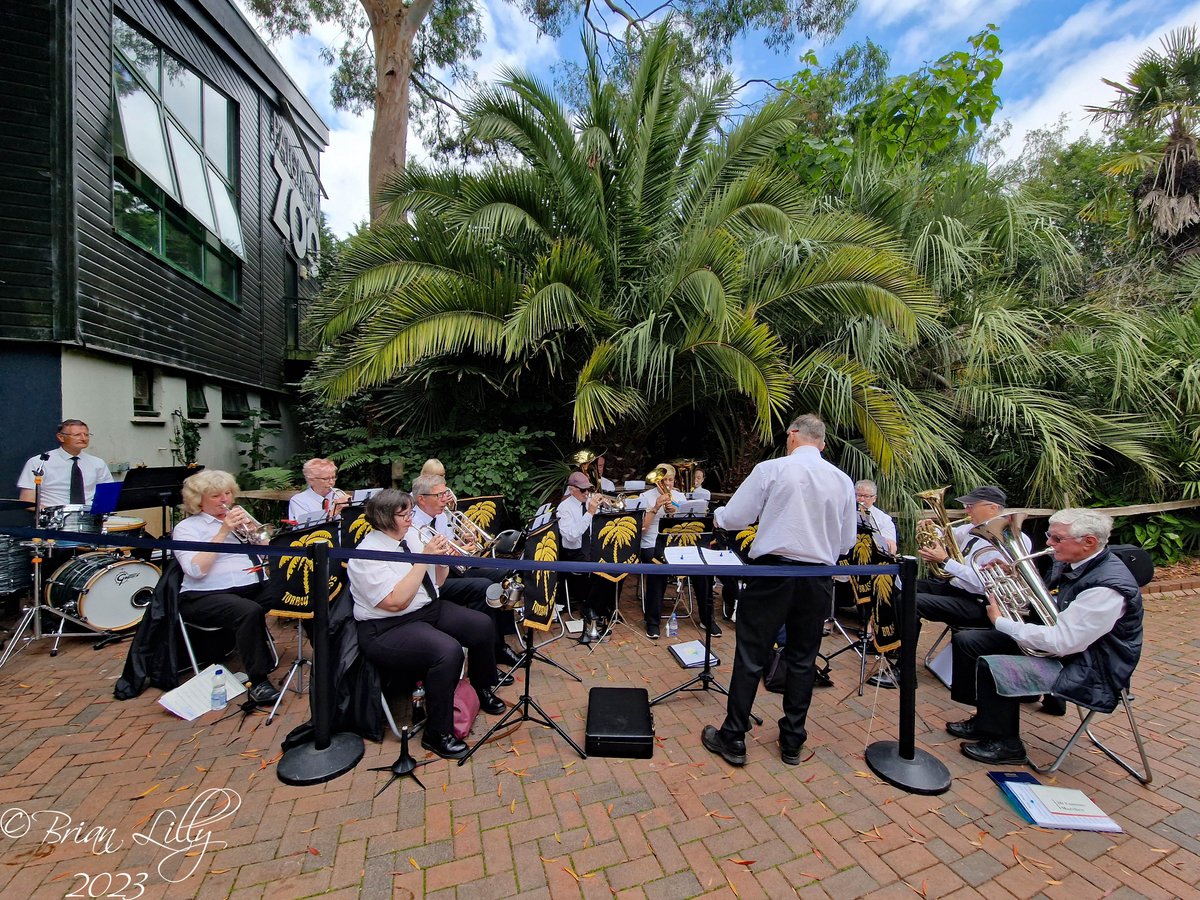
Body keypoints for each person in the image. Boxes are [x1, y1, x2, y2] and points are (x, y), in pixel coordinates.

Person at [701, 414, 856, 767]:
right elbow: (846, 542)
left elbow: (737, 517)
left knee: (751, 655)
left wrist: (719, 518)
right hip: (818, 578)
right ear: (823, 443)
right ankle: (792, 741)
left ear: (792, 435)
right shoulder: (842, 480)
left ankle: (734, 736)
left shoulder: (772, 469)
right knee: (803, 659)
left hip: (773, 572)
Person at [948, 509, 1143, 765]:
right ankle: (986, 720)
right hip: (1074, 649)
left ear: (1089, 542)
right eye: (1049, 536)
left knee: (994, 664)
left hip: (1091, 666)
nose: (1048, 543)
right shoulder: (1079, 563)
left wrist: (1001, 622)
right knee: (968, 641)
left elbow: (1061, 642)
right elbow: (1055, 606)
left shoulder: (1106, 587)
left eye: (1056, 538)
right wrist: (1012, 576)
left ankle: (1007, 745)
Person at [347, 489, 505, 759]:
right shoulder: (366, 555)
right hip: (388, 627)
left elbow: (439, 582)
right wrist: (424, 558)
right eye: (404, 514)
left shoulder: (411, 536)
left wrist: (442, 558)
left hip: (426, 609)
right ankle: (437, 733)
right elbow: (395, 602)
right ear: (385, 518)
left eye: (410, 512)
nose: (411, 518)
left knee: (480, 625)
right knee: (447, 651)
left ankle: (481, 688)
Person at [173, 470, 281, 705]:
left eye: (228, 493)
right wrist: (222, 532)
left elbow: (267, 554)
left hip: (251, 586)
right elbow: (196, 571)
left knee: (296, 592)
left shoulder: (240, 519)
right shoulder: (187, 528)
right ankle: (259, 682)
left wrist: (257, 536)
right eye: (216, 496)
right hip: (204, 596)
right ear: (198, 499)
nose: (225, 500)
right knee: (247, 611)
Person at [410, 471, 521, 668]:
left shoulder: (440, 516)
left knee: (503, 576)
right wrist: (455, 552)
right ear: (422, 499)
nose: (446, 499)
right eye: (440, 496)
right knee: (485, 587)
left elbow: (449, 543)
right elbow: (427, 559)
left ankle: (500, 643)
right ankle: (487, 656)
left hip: (454, 568)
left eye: (446, 493)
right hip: (433, 581)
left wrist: (464, 542)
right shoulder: (413, 525)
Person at [914, 486, 1032, 635]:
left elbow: (983, 584)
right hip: (956, 589)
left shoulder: (1009, 537)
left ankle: (906, 656)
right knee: (904, 586)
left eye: (971, 506)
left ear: (992, 508)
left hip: (980, 602)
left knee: (910, 600)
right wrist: (930, 529)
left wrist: (945, 561)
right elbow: (949, 534)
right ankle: (894, 646)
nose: (967, 510)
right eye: (966, 506)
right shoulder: (973, 528)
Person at [637, 463, 688, 639]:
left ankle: (707, 618)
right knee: (658, 568)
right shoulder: (646, 497)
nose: (667, 483)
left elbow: (690, 525)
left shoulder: (680, 497)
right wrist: (656, 507)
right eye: (663, 479)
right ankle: (652, 622)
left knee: (702, 569)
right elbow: (642, 527)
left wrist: (677, 512)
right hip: (651, 544)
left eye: (670, 480)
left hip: (675, 544)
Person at [17, 419, 113, 509]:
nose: (83, 438)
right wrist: (54, 513)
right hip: (53, 519)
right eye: (77, 435)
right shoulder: (40, 462)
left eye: (86, 435)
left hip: (91, 518)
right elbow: (28, 500)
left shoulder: (97, 463)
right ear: (61, 437)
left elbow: (108, 495)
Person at [556, 470, 605, 642]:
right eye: (583, 490)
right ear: (571, 490)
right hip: (573, 552)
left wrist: (602, 507)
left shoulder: (588, 501)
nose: (587, 494)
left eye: (588, 490)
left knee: (614, 566)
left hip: (591, 547)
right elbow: (571, 535)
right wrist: (590, 513)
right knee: (599, 572)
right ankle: (590, 608)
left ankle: (604, 609)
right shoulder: (564, 508)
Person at [288, 458, 348, 524]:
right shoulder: (298, 501)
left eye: (333, 477)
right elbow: (304, 527)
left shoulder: (338, 493)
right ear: (311, 480)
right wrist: (334, 511)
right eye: (325, 479)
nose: (331, 482)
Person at [855, 480, 897, 556]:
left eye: (866, 496)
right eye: (859, 495)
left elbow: (891, 547)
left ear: (874, 498)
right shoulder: (846, 513)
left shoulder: (884, 519)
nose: (861, 499)